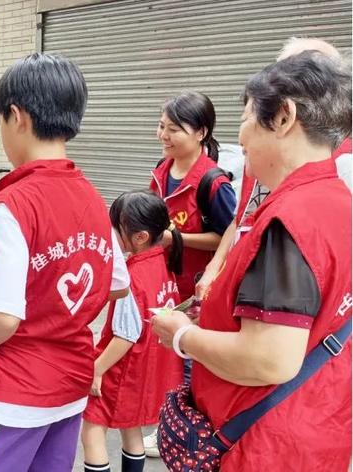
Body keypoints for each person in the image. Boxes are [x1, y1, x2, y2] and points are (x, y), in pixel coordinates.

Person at [151, 51, 351, 471]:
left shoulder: (292, 219)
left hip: (263, 444)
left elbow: (269, 358)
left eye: (245, 116)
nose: (238, 137)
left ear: (283, 117)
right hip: (316, 422)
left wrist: (182, 335)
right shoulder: (337, 201)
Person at [0, 53, 130, 472]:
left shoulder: (16, 202)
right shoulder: (90, 195)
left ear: (17, 116)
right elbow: (117, 281)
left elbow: (5, 317)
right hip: (69, 387)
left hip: (14, 392)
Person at [196, 37, 352, 300]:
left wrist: (183, 336)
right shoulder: (260, 153)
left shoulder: (342, 166)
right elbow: (242, 217)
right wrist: (216, 265)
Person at [82, 190, 184, 472]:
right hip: (146, 368)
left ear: (139, 237)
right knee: (131, 428)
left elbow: (127, 334)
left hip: (121, 369)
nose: (110, 231)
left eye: (116, 227)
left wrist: (98, 368)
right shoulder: (162, 262)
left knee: (92, 430)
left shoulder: (130, 277)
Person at [149, 91, 237, 303]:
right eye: (162, 126)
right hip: (161, 282)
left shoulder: (213, 183)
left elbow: (228, 239)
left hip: (193, 293)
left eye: (173, 130)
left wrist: (175, 239)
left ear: (200, 133)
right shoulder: (161, 169)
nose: (163, 135)